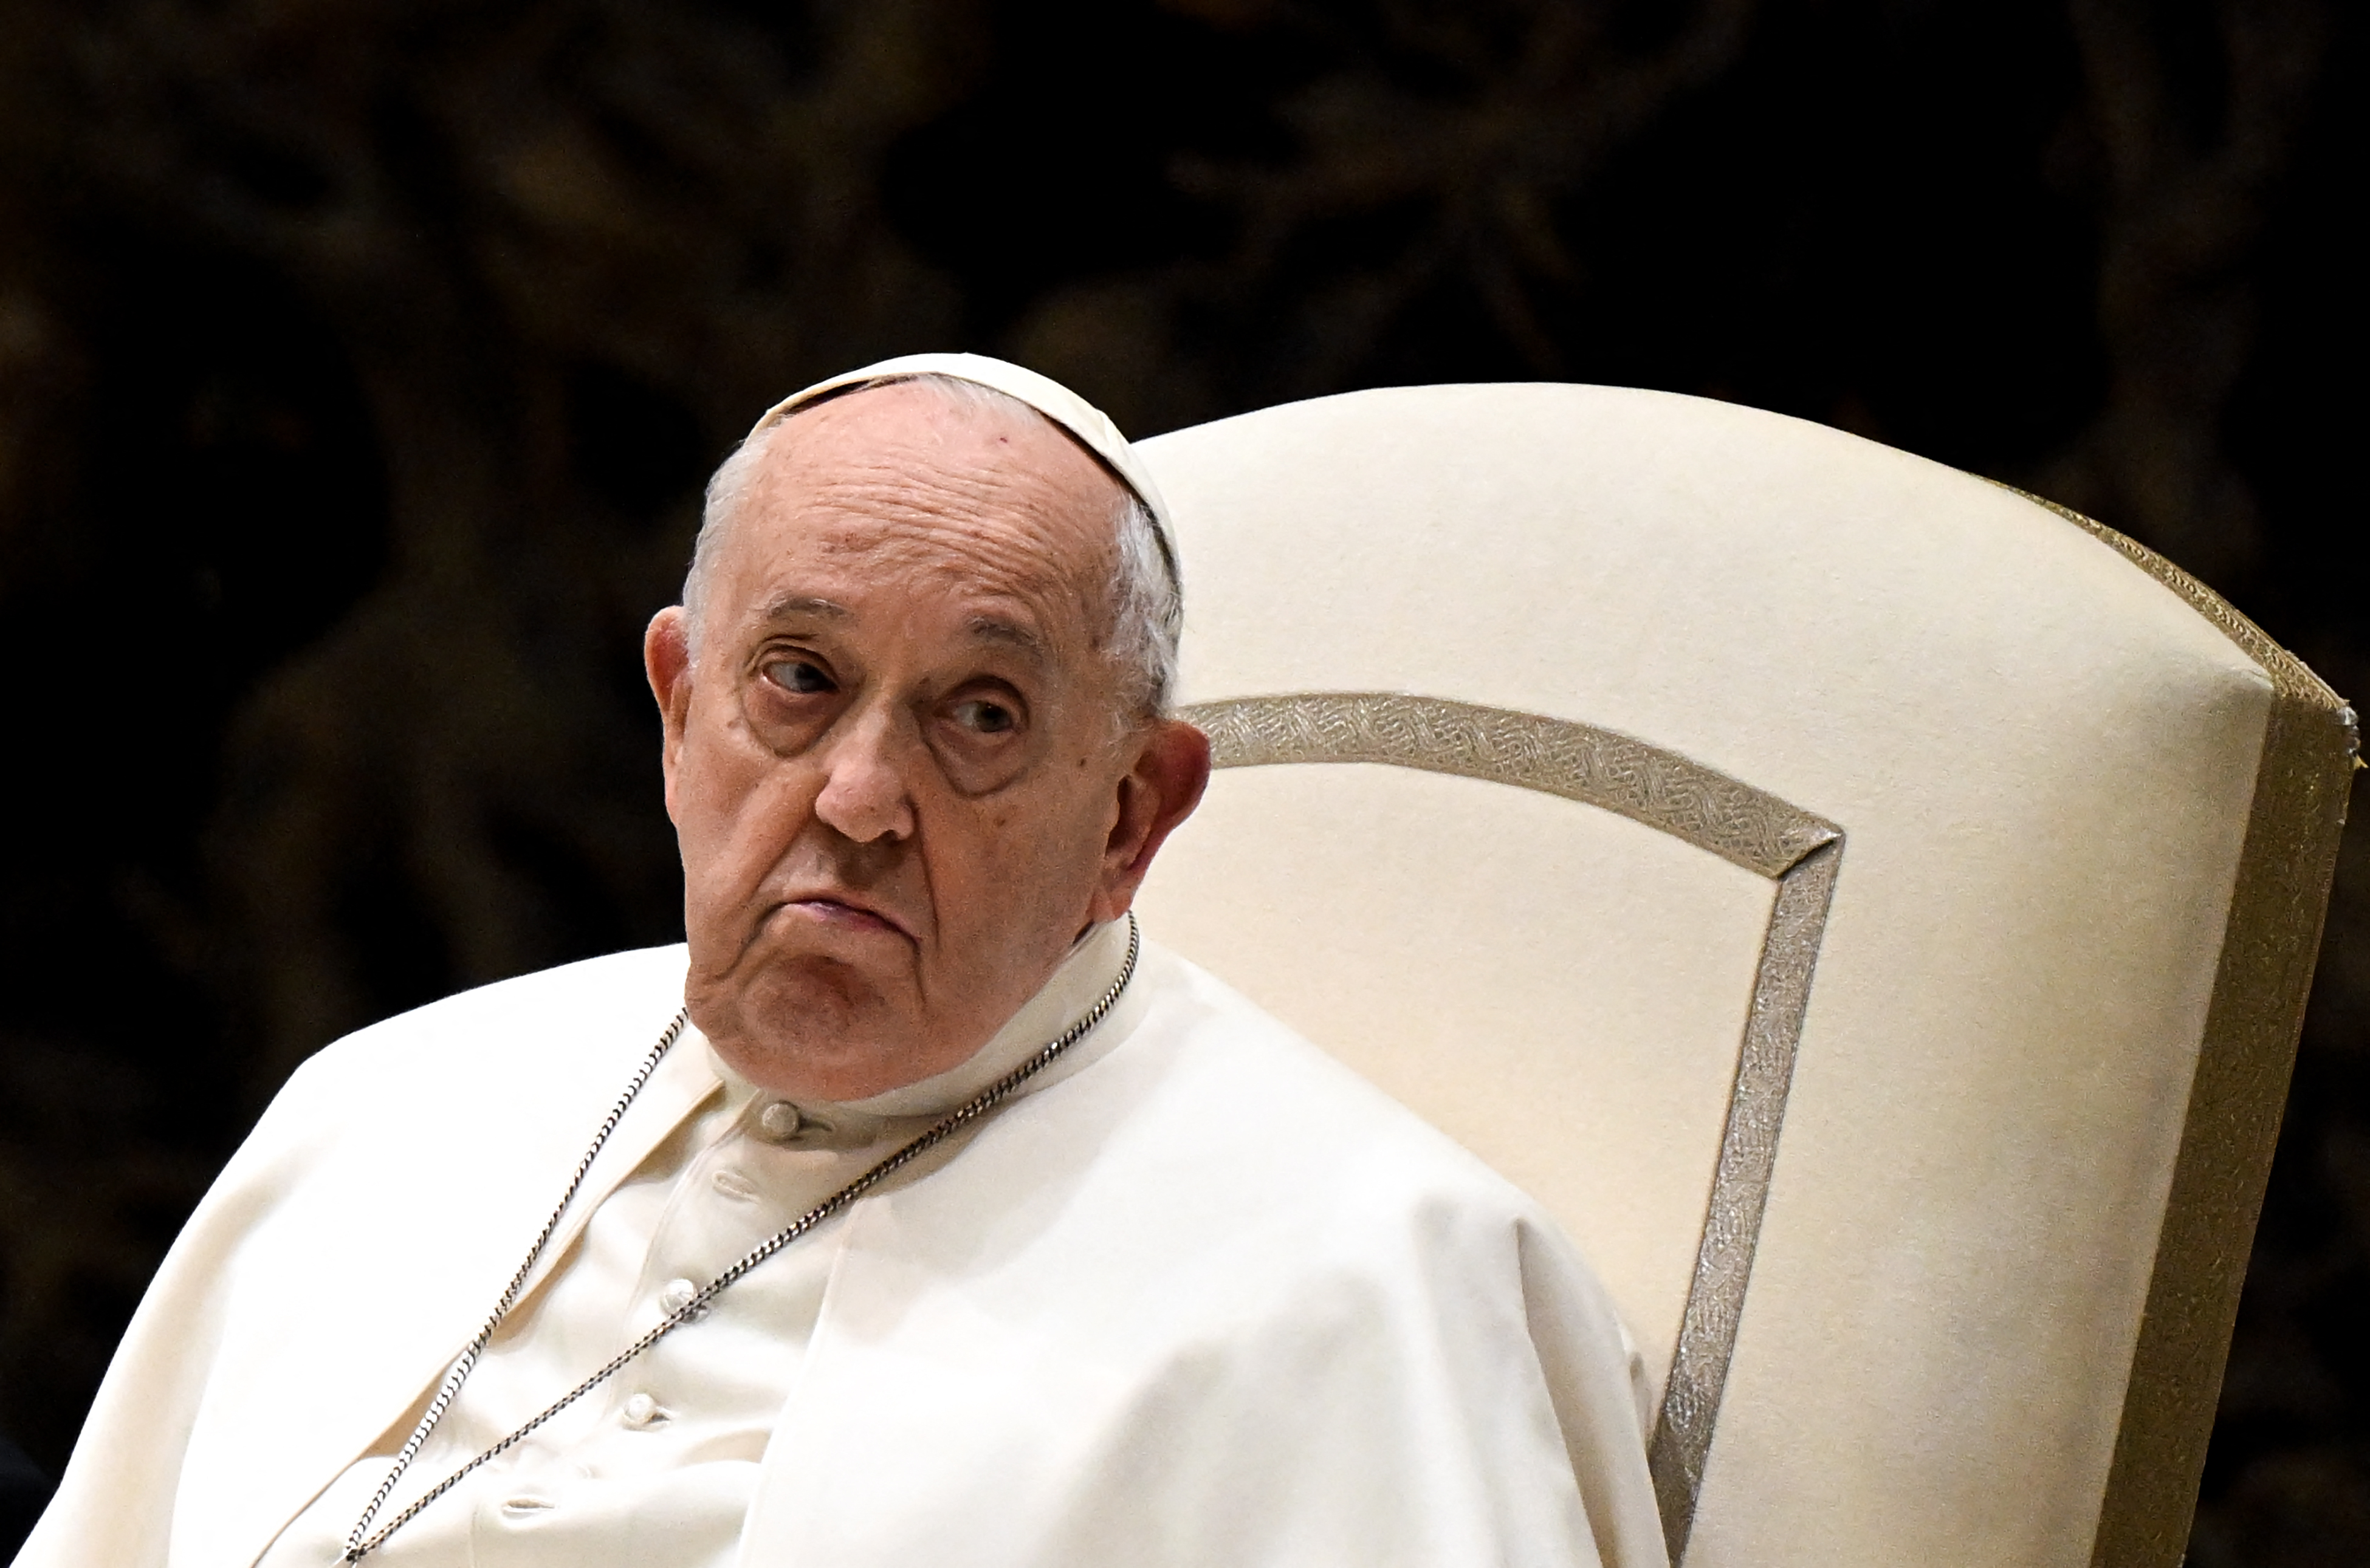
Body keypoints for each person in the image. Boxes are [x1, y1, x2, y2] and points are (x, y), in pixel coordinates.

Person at [18, 355, 1668, 1567]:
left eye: (980, 715)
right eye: (797, 681)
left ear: (1129, 818)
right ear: (676, 710)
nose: (861, 800)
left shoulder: (1370, 1288)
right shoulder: (386, 1110)